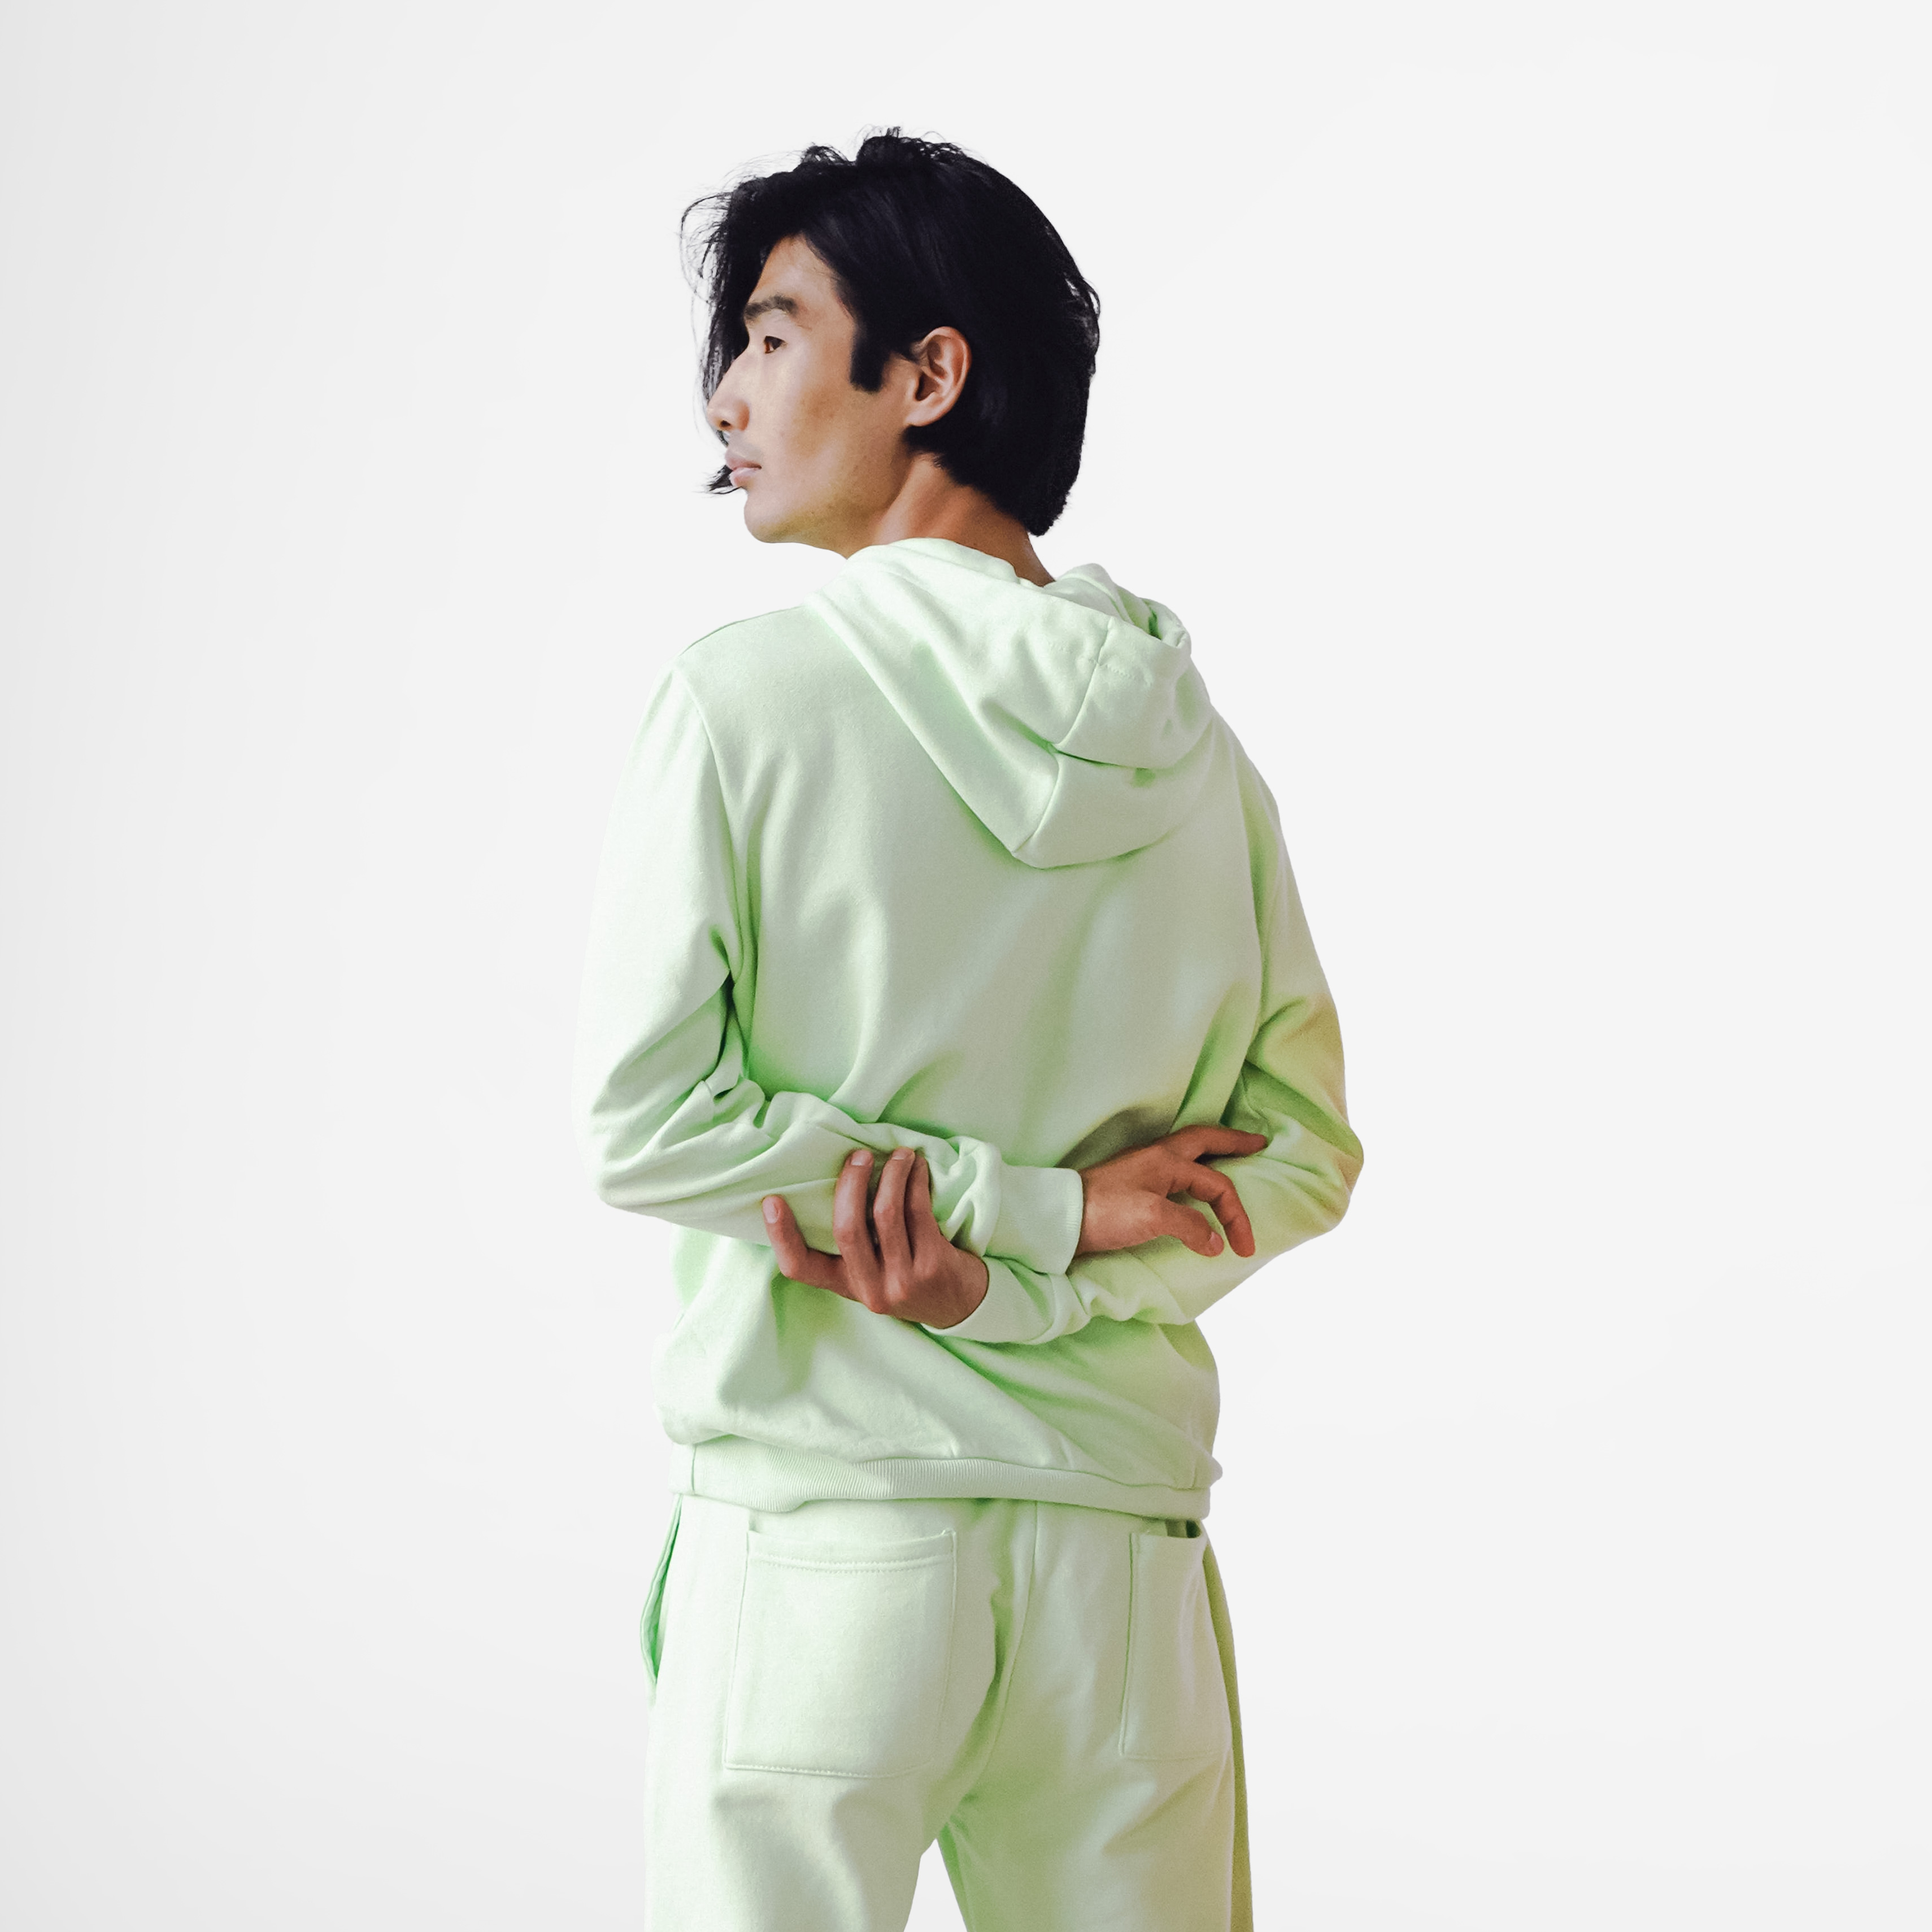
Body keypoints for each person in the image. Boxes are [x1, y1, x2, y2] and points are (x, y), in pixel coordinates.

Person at [572, 130, 1362, 1932]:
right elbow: (1300, 1157)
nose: (724, 395)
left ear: (928, 373)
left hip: (823, 1543)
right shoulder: (1199, 763)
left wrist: (995, 1227)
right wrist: (1055, 1243)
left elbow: (647, 1121)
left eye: (772, 334)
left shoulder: (742, 704)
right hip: (1119, 1577)